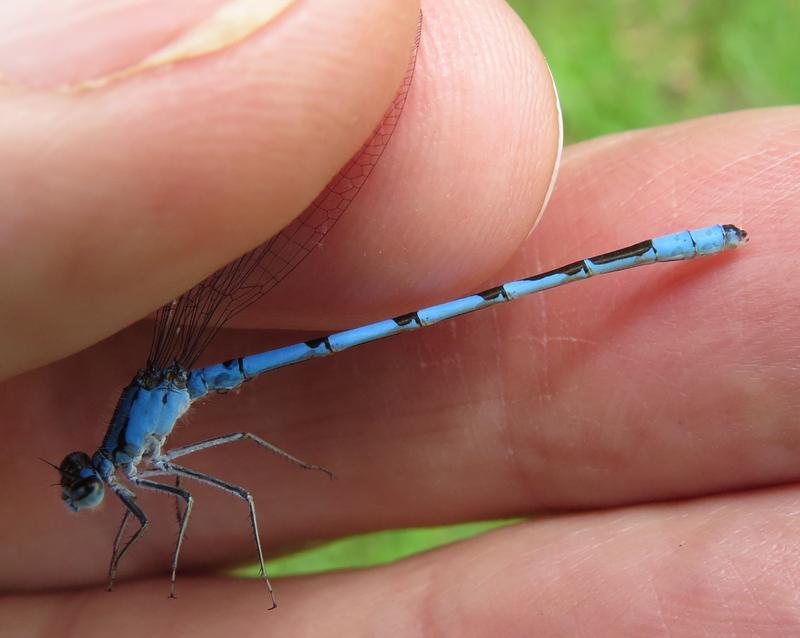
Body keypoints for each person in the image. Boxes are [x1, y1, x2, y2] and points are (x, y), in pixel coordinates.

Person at [0, 1, 796, 634]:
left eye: (86, 482)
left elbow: (206, 494)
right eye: (85, 483)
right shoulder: (132, 467)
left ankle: (668, 246)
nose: (86, 490)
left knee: (236, 488)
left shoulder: (129, 461)